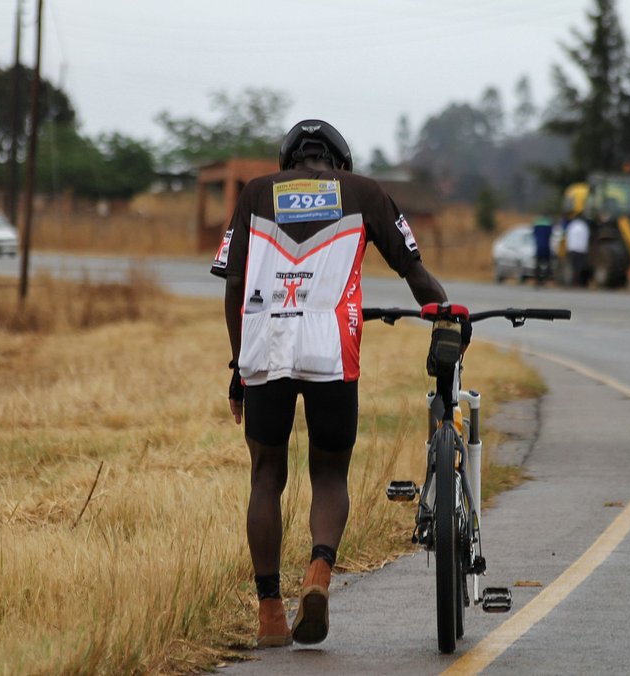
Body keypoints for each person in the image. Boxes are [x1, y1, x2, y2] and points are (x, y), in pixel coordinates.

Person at [210, 119, 450, 649]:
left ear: (289, 158)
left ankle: (270, 612)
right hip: (331, 341)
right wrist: (446, 311)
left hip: (265, 338)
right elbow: (414, 272)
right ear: (338, 160)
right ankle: (317, 574)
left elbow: (232, 283)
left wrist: (238, 365)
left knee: (266, 474)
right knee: (330, 471)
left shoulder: (254, 193)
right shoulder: (364, 192)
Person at [531, 215, 553, 286]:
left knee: (537, 265)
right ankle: (544, 280)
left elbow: (533, 235)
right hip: (546, 248)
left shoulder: (536, 226)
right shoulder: (548, 226)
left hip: (538, 248)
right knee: (547, 264)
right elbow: (550, 235)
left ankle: (537, 280)